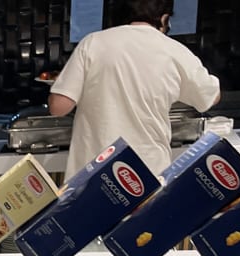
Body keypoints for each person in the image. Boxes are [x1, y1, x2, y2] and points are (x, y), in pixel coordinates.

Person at [48, 0, 221, 175]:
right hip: (146, 171)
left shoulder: (93, 42)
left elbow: (59, 107)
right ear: (164, 18)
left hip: (93, 170)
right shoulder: (176, 51)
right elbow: (211, 97)